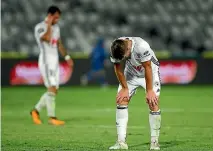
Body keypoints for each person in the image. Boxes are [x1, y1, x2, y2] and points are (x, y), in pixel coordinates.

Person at [109, 37, 161, 150]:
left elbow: (147, 67)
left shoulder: (142, 47)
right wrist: (124, 88)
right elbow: (118, 68)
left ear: (128, 49)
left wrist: (149, 91)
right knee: (121, 100)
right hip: (131, 73)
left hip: (149, 73)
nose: (123, 59)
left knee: (153, 103)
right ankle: (121, 142)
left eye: (124, 57)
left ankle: (154, 142)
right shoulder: (116, 47)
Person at [30, 6, 74, 125]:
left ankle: (35, 111)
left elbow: (58, 43)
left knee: (54, 90)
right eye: (55, 17)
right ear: (49, 16)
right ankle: (52, 118)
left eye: (58, 18)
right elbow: (47, 38)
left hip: (55, 62)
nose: (57, 20)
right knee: (51, 89)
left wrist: (67, 57)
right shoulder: (39, 27)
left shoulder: (57, 27)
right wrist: (49, 24)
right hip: (46, 62)